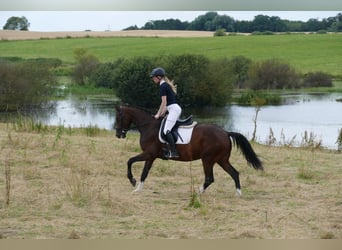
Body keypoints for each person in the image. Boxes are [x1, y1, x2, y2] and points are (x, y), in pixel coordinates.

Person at [150, 67, 181, 158]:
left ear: (159, 77)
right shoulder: (164, 85)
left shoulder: (163, 86)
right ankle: (166, 148)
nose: (153, 79)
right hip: (171, 108)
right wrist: (163, 112)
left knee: (166, 130)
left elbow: (163, 102)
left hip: (174, 110)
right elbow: (167, 104)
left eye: (154, 77)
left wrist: (158, 114)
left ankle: (174, 152)